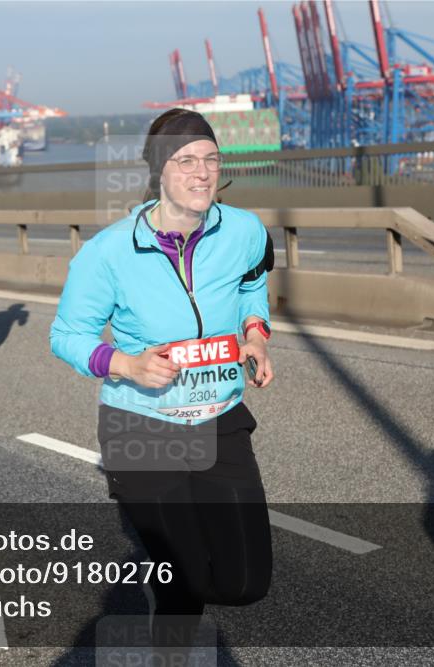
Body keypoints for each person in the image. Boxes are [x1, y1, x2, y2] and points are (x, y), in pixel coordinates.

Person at [50, 109, 275, 642]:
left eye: (212, 160)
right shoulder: (108, 252)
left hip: (219, 417)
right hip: (143, 426)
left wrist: (256, 336)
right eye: (186, 161)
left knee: (246, 583)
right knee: (185, 583)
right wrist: (125, 363)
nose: (203, 173)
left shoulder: (243, 230)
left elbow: (251, 287)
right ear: (157, 171)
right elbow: (67, 335)